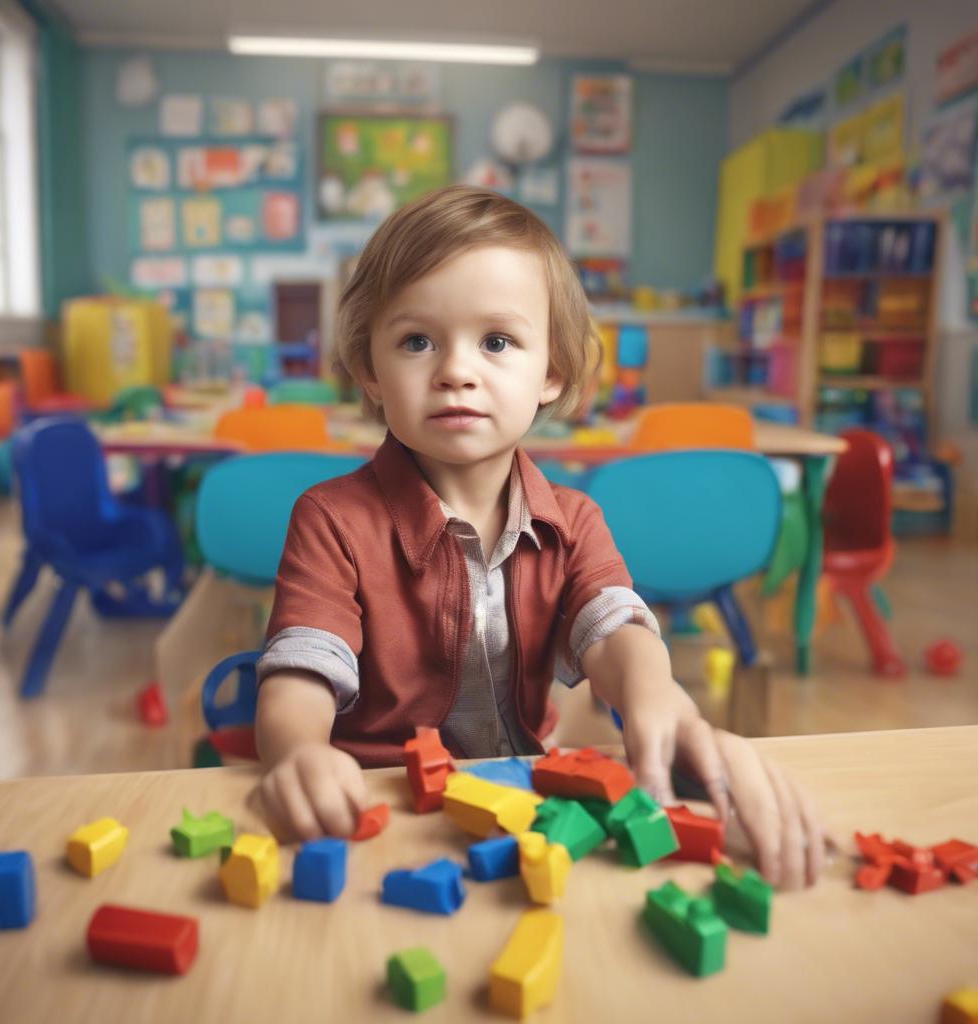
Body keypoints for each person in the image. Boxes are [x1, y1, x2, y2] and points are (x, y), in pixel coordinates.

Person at [252, 185, 825, 889]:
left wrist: (656, 699)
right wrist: (297, 752)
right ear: (370, 367)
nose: (456, 370)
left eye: (496, 341)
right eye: (416, 341)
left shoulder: (574, 520)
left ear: (551, 368)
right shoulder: (332, 518)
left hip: (521, 808)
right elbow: (300, 673)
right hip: (375, 810)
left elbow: (617, 632)